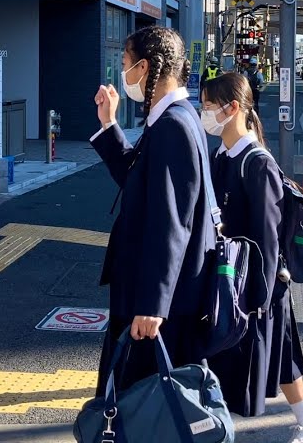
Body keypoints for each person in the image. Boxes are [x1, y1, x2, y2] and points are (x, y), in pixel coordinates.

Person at [200, 73, 303, 443]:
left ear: (233, 108)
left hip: (255, 285)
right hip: (230, 275)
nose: (204, 113)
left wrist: (258, 295)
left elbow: (268, 237)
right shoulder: (222, 156)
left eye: (209, 106)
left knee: (275, 354)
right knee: (277, 356)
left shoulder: (256, 163)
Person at [90, 26, 213, 393]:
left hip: (157, 300)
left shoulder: (172, 125)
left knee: (143, 402)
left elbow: (171, 221)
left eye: (125, 64)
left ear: (144, 68)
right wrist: (109, 124)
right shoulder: (173, 117)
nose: (123, 74)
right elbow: (138, 179)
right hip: (156, 292)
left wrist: (152, 304)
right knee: (144, 402)